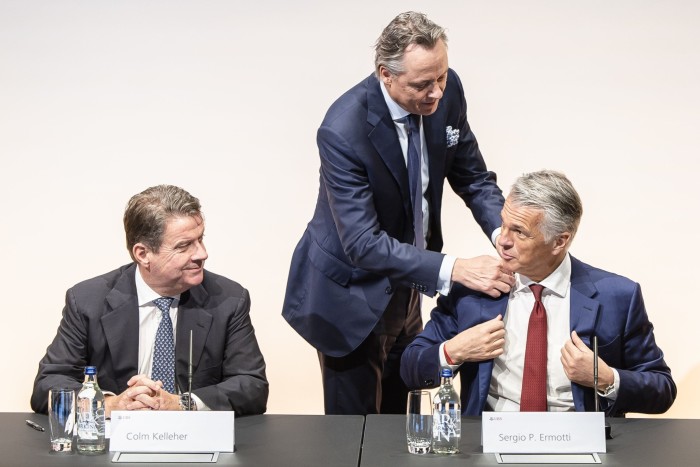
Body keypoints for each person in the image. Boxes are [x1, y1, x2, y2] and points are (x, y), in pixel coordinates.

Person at [282, 11, 514, 415]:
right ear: (385, 75)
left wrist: (505, 234)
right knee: (356, 436)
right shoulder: (342, 130)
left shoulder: (447, 90)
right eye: (422, 84)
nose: (437, 93)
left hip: (408, 284)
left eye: (441, 77)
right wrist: (455, 268)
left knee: (399, 421)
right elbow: (362, 243)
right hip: (348, 297)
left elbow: (474, 177)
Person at [401, 170, 676, 416]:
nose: (503, 240)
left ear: (559, 241)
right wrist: (455, 350)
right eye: (503, 224)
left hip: (579, 447)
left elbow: (662, 389)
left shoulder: (617, 296)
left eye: (519, 232)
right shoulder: (474, 289)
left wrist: (605, 378)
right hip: (490, 444)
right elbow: (411, 368)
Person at [31, 185, 268, 416]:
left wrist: (184, 403)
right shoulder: (87, 301)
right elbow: (48, 385)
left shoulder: (229, 299)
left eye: (200, 239)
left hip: (195, 443)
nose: (201, 254)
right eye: (184, 246)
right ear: (143, 254)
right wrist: (110, 405)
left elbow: (252, 386)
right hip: (113, 444)